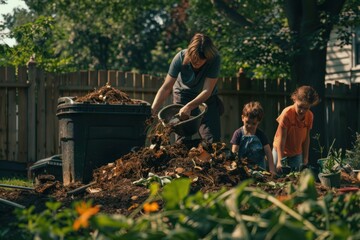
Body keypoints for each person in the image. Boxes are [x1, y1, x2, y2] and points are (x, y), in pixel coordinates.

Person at [151, 33, 223, 143]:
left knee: (211, 140)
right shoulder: (180, 57)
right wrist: (153, 110)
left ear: (207, 58)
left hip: (207, 98)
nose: (196, 62)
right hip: (183, 95)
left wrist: (189, 107)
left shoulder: (214, 59)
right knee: (182, 140)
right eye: (193, 59)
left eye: (200, 59)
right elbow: (166, 88)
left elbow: (207, 90)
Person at [272, 85, 320, 172]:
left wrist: (305, 158)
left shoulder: (309, 116)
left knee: (296, 179)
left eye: (306, 108)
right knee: (277, 178)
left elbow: (306, 138)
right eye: (300, 107)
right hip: (280, 151)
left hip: (296, 154)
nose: (302, 111)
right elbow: (281, 138)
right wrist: (280, 160)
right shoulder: (287, 114)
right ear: (294, 99)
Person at [230, 101, 275, 174]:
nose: (250, 126)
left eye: (254, 124)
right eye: (247, 122)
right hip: (243, 171)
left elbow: (268, 153)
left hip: (260, 171)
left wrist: (272, 169)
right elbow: (234, 152)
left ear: (258, 122)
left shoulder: (261, 135)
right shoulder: (238, 134)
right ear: (242, 118)